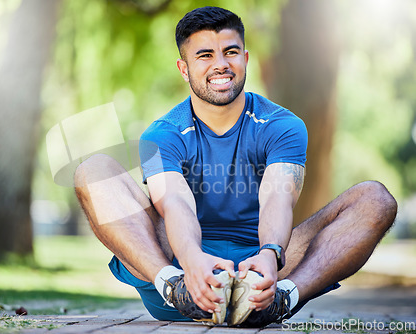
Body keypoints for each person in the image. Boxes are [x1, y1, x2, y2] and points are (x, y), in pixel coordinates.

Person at [74, 6, 397, 327]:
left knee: (376, 199)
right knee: (93, 170)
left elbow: (277, 197)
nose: (220, 64)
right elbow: (173, 203)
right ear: (184, 69)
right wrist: (190, 262)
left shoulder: (282, 124)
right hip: (181, 264)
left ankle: (284, 297)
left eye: (230, 52)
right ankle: (173, 287)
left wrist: (270, 255)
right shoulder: (162, 134)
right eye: (204, 55)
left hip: (264, 273)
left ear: (245, 58)